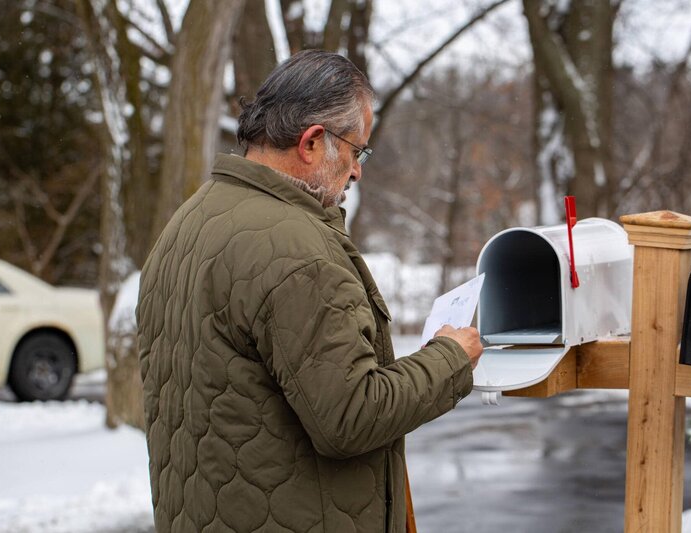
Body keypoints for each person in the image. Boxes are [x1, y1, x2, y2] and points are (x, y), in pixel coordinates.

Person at [137, 49, 483, 533]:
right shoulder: (297, 250)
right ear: (313, 143)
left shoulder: (187, 222)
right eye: (357, 150)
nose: (358, 170)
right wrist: (450, 358)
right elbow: (351, 416)